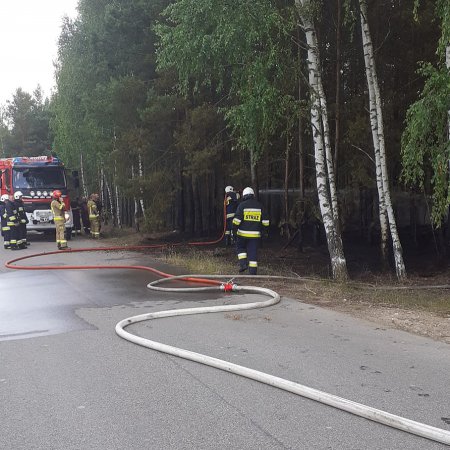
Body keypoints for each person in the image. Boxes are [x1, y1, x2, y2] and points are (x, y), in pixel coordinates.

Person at [232, 187, 269, 275]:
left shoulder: (242, 205)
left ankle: (243, 264)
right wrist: (264, 231)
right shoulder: (260, 206)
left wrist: (233, 229)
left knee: (240, 248)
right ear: (253, 195)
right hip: (255, 236)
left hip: (242, 234)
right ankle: (253, 273)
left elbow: (237, 221)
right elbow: (266, 222)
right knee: (253, 253)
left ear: (244, 196)